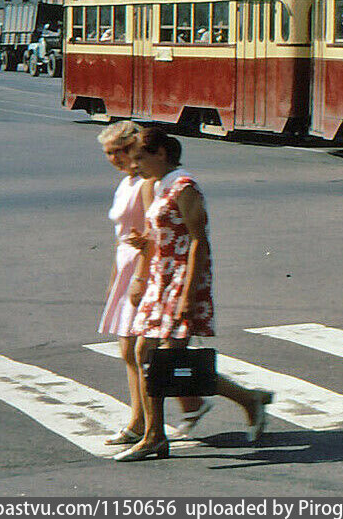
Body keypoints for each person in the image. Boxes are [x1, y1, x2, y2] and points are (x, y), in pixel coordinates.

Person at [114, 127, 273, 462]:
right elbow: (162, 233)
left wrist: (188, 296)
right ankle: (246, 400)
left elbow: (199, 240)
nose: (134, 164)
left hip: (181, 281)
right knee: (157, 357)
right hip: (161, 277)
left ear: (161, 154)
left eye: (141, 157)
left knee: (163, 360)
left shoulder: (185, 187)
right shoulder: (156, 185)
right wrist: (144, 245)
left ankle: (155, 435)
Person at [97, 121, 212, 449]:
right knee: (138, 351)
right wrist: (115, 278)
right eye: (109, 154)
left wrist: (140, 277)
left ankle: (145, 424)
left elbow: (159, 236)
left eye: (117, 152)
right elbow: (127, 236)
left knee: (141, 351)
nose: (116, 160)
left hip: (150, 270)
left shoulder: (152, 184)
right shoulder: (129, 183)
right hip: (131, 266)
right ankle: (174, 413)